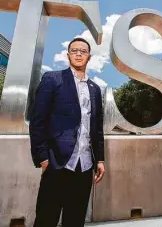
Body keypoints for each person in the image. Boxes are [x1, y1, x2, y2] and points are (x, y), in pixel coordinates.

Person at [29, 37, 105, 227]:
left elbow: (97, 127)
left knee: (76, 219)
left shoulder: (95, 89)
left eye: (83, 51)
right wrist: (43, 158)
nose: (79, 54)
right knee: (46, 218)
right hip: (57, 162)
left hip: (85, 165)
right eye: (74, 50)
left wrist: (100, 159)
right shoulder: (52, 79)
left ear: (89, 57)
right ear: (68, 54)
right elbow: (38, 121)